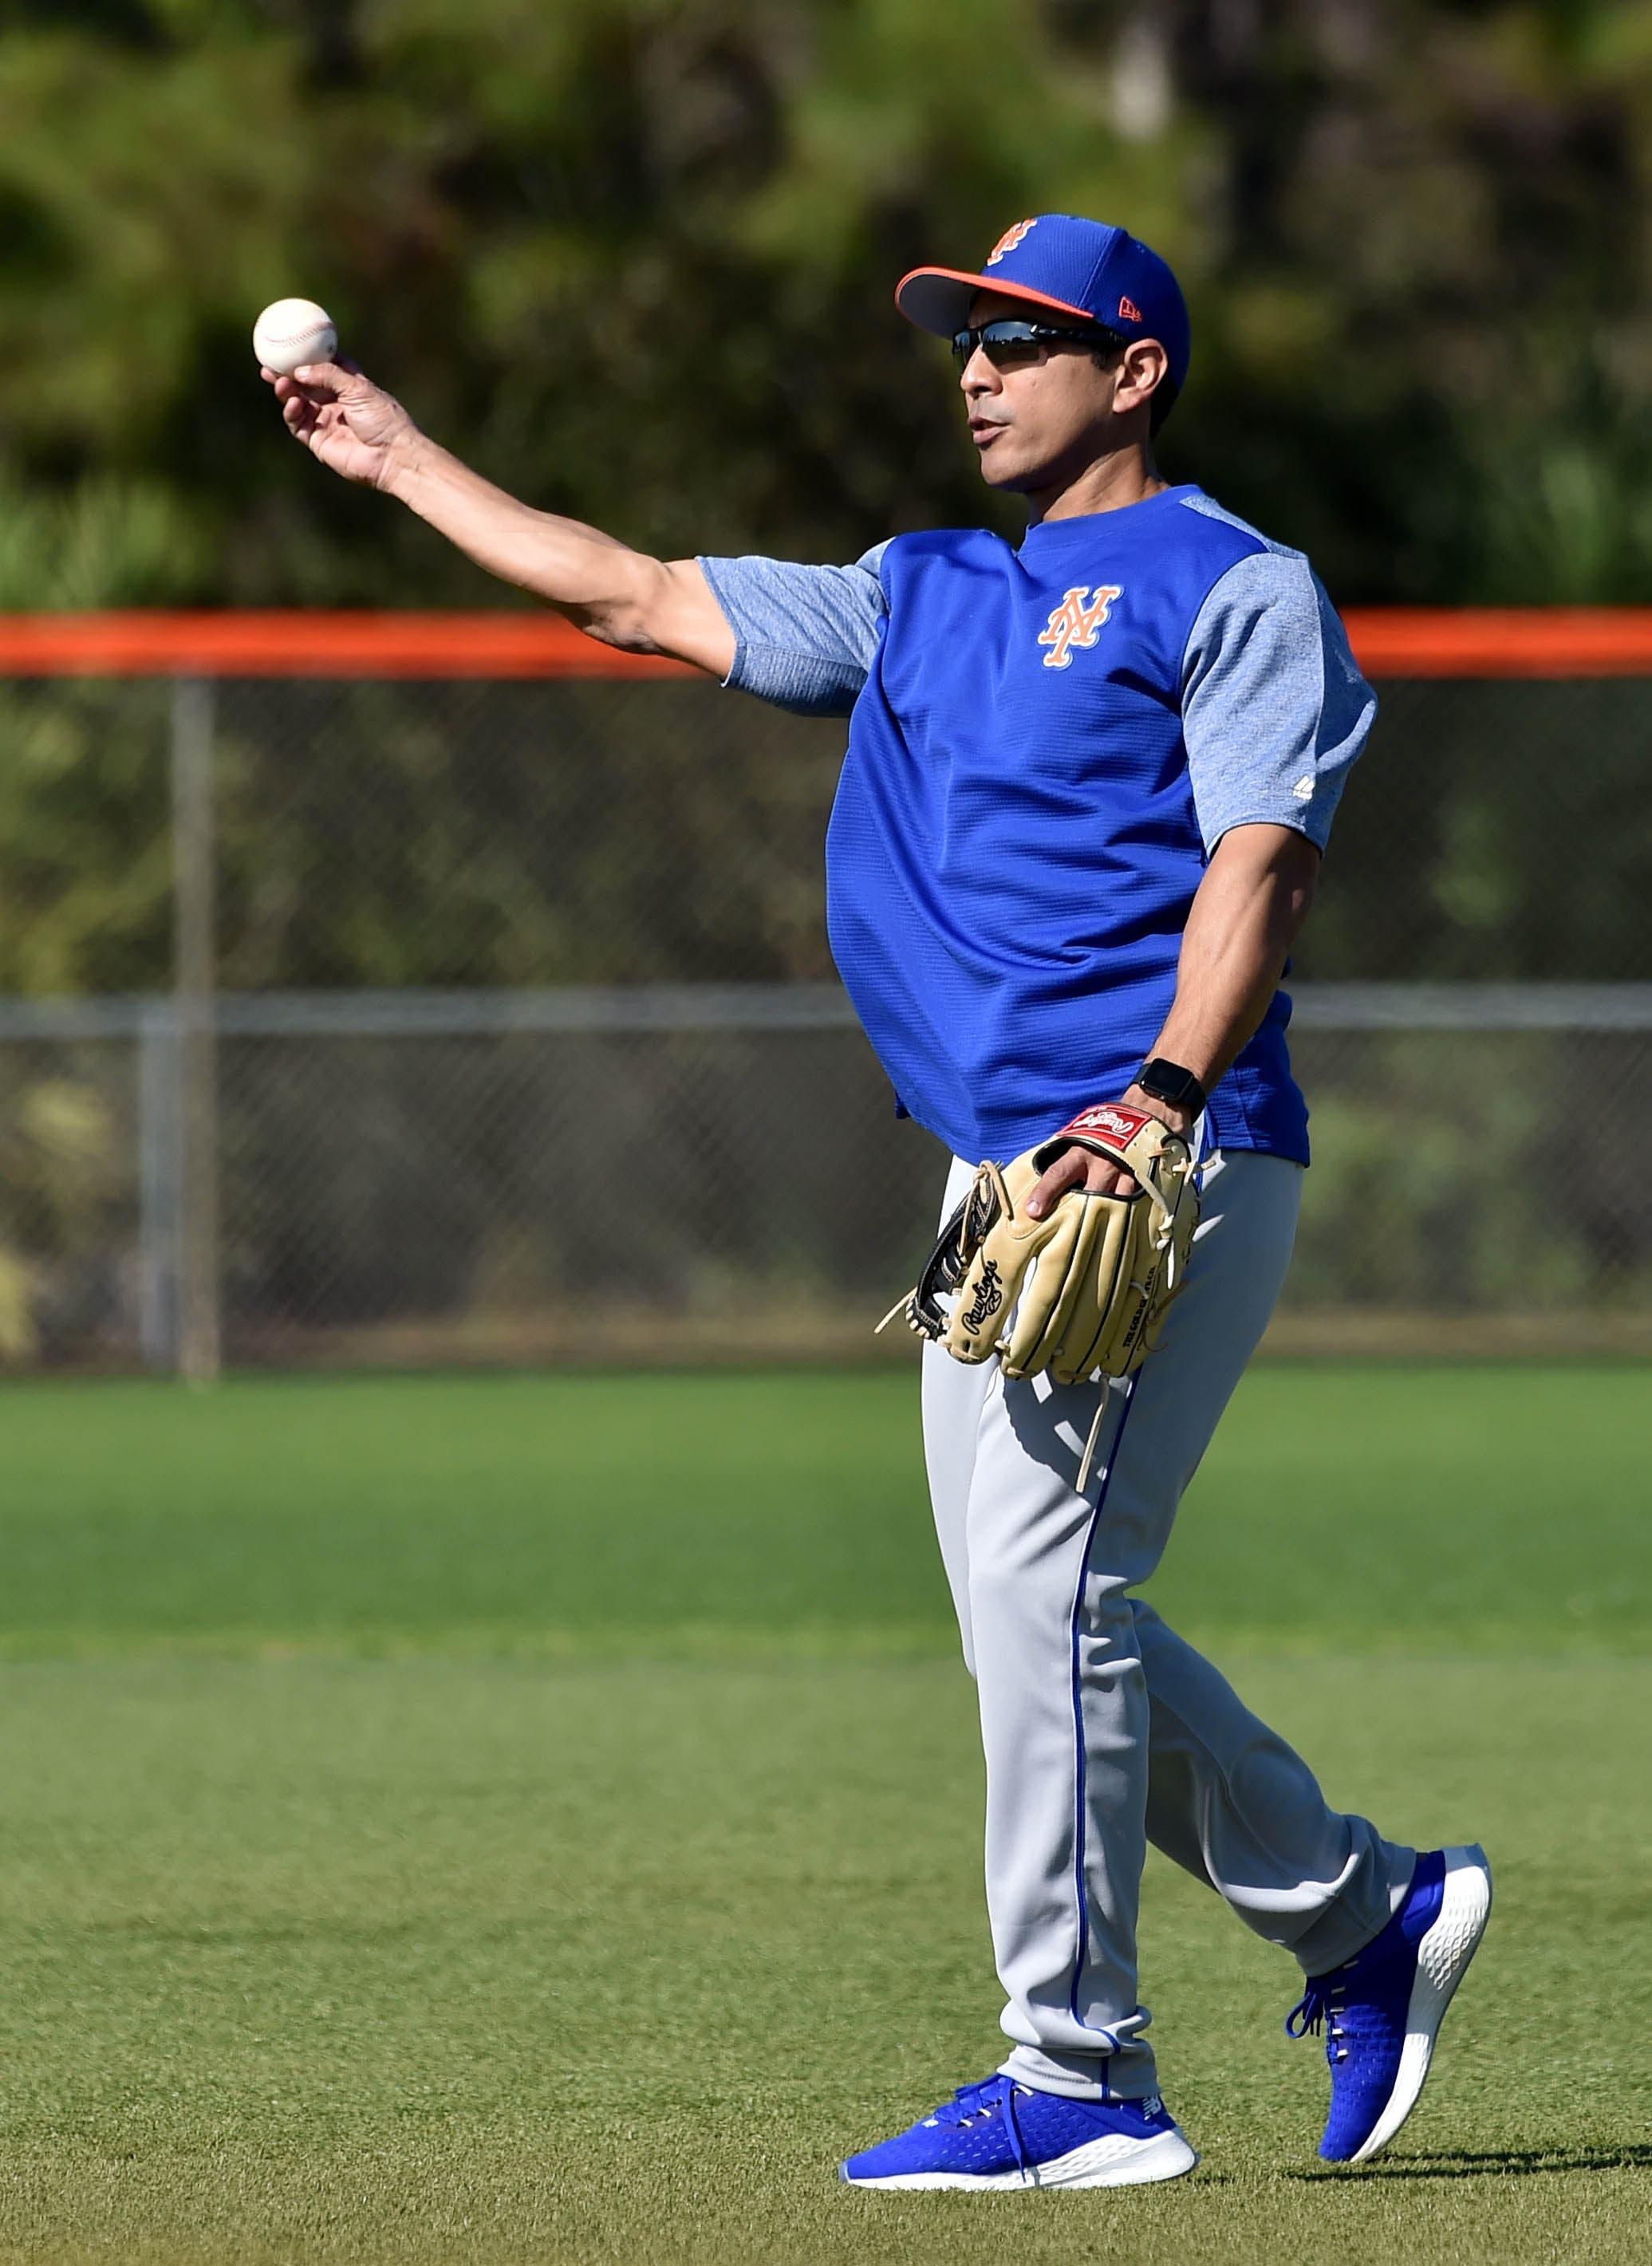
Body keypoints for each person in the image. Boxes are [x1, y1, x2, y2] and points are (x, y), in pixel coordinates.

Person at [266, 211, 1491, 2191]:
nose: (976, 372)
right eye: (962, 342)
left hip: (1160, 1152)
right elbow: (639, 595)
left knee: (1047, 1593)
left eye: (1022, 338)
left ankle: (1080, 2072)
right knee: (1042, 1608)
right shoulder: (919, 592)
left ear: (1137, 366)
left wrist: (1160, 1099)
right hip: (995, 1173)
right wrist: (396, 454)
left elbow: (1260, 862)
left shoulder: (1234, 582)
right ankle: (1363, 1913)